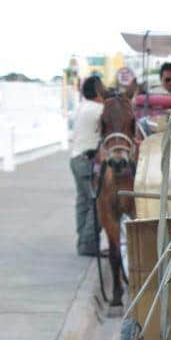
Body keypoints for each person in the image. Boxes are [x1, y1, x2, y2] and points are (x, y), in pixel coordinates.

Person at [69, 76, 104, 255]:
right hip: (88, 161)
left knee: (83, 201)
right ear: (98, 90)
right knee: (98, 203)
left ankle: (83, 240)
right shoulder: (100, 110)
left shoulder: (81, 107)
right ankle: (88, 245)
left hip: (76, 158)